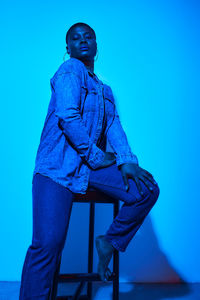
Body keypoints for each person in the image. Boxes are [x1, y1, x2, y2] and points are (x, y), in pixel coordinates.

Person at [19, 22, 160, 299]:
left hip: (88, 169)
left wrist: (127, 160)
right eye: (76, 38)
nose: (83, 40)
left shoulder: (105, 90)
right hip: (56, 169)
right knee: (47, 244)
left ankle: (108, 242)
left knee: (146, 188)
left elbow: (114, 127)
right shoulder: (70, 70)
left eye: (89, 36)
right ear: (68, 47)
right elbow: (67, 117)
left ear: (96, 45)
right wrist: (97, 156)